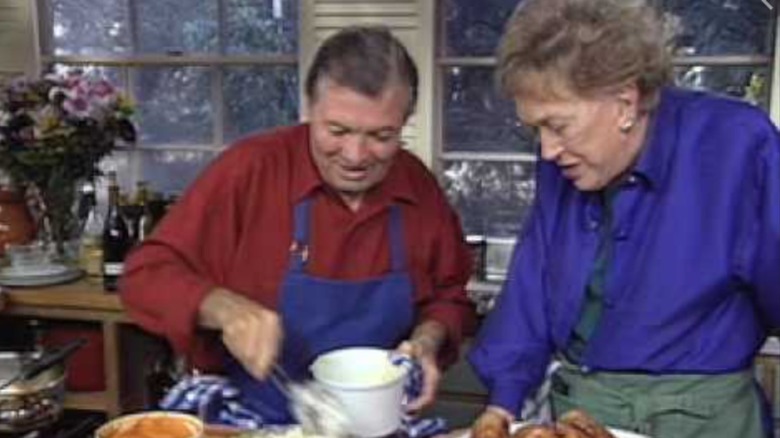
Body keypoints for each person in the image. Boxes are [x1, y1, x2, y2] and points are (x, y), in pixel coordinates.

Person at [120, 26, 475, 425]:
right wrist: (222, 307)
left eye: (381, 135)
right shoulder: (250, 170)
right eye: (337, 131)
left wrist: (428, 340)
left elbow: (450, 295)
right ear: (308, 107)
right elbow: (143, 276)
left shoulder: (418, 188)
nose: (356, 156)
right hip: (249, 419)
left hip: (373, 425)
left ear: (405, 121)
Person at [468, 0, 780, 437]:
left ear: (625, 102)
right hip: (582, 412)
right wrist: (502, 403)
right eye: (534, 129)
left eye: (558, 125)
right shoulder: (563, 163)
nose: (547, 150)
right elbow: (532, 286)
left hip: (703, 419)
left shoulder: (738, 146)